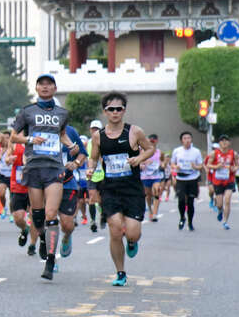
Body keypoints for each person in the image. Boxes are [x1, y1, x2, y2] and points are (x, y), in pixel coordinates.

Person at [10, 73, 77, 281]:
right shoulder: (27, 111)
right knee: (38, 216)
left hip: (54, 168)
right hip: (34, 168)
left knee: (51, 213)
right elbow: (13, 135)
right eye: (42, 84)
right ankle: (41, 239)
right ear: (37, 88)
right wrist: (30, 138)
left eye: (49, 84)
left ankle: (50, 259)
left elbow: (62, 133)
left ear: (54, 89)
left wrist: (71, 146)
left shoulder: (62, 112)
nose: (45, 87)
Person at [85, 92, 154, 286]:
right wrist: (91, 168)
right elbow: (94, 156)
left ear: (124, 110)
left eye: (119, 109)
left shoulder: (134, 132)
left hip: (132, 189)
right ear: (104, 111)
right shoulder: (98, 136)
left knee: (132, 232)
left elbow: (150, 149)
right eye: (111, 109)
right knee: (115, 231)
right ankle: (120, 272)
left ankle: (132, 242)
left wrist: (139, 158)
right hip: (110, 189)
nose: (115, 112)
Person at [57, 124, 89, 265]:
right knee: (47, 221)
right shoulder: (37, 130)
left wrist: (76, 163)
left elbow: (82, 153)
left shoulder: (70, 131)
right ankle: (50, 259)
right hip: (45, 182)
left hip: (67, 183)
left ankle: (67, 236)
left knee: (67, 225)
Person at [170, 131, 204, 231]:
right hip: (181, 178)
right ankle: (182, 217)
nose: (187, 140)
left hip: (192, 178)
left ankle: (190, 222)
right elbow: (172, 164)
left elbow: (201, 165)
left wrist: (195, 166)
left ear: (191, 139)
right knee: (181, 200)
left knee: (190, 202)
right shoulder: (177, 151)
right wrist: (176, 166)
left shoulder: (196, 151)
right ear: (181, 140)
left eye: (189, 138)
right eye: (185, 138)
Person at [208, 135, 237, 230]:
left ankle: (225, 221)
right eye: (222, 140)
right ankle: (220, 211)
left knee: (227, 201)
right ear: (219, 143)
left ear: (229, 143)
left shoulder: (233, 153)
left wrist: (233, 168)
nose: (224, 142)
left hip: (229, 180)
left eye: (226, 140)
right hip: (218, 181)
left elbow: (237, 166)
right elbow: (208, 164)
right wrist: (216, 167)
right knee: (220, 204)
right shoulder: (214, 153)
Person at [140, 134, 164, 222]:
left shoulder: (159, 152)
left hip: (156, 176)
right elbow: (139, 162)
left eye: (154, 141)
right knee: (148, 195)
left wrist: (162, 164)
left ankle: (155, 213)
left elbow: (162, 162)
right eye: (150, 141)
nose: (152, 142)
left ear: (156, 141)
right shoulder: (143, 152)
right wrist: (143, 164)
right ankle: (150, 210)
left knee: (156, 191)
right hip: (145, 176)